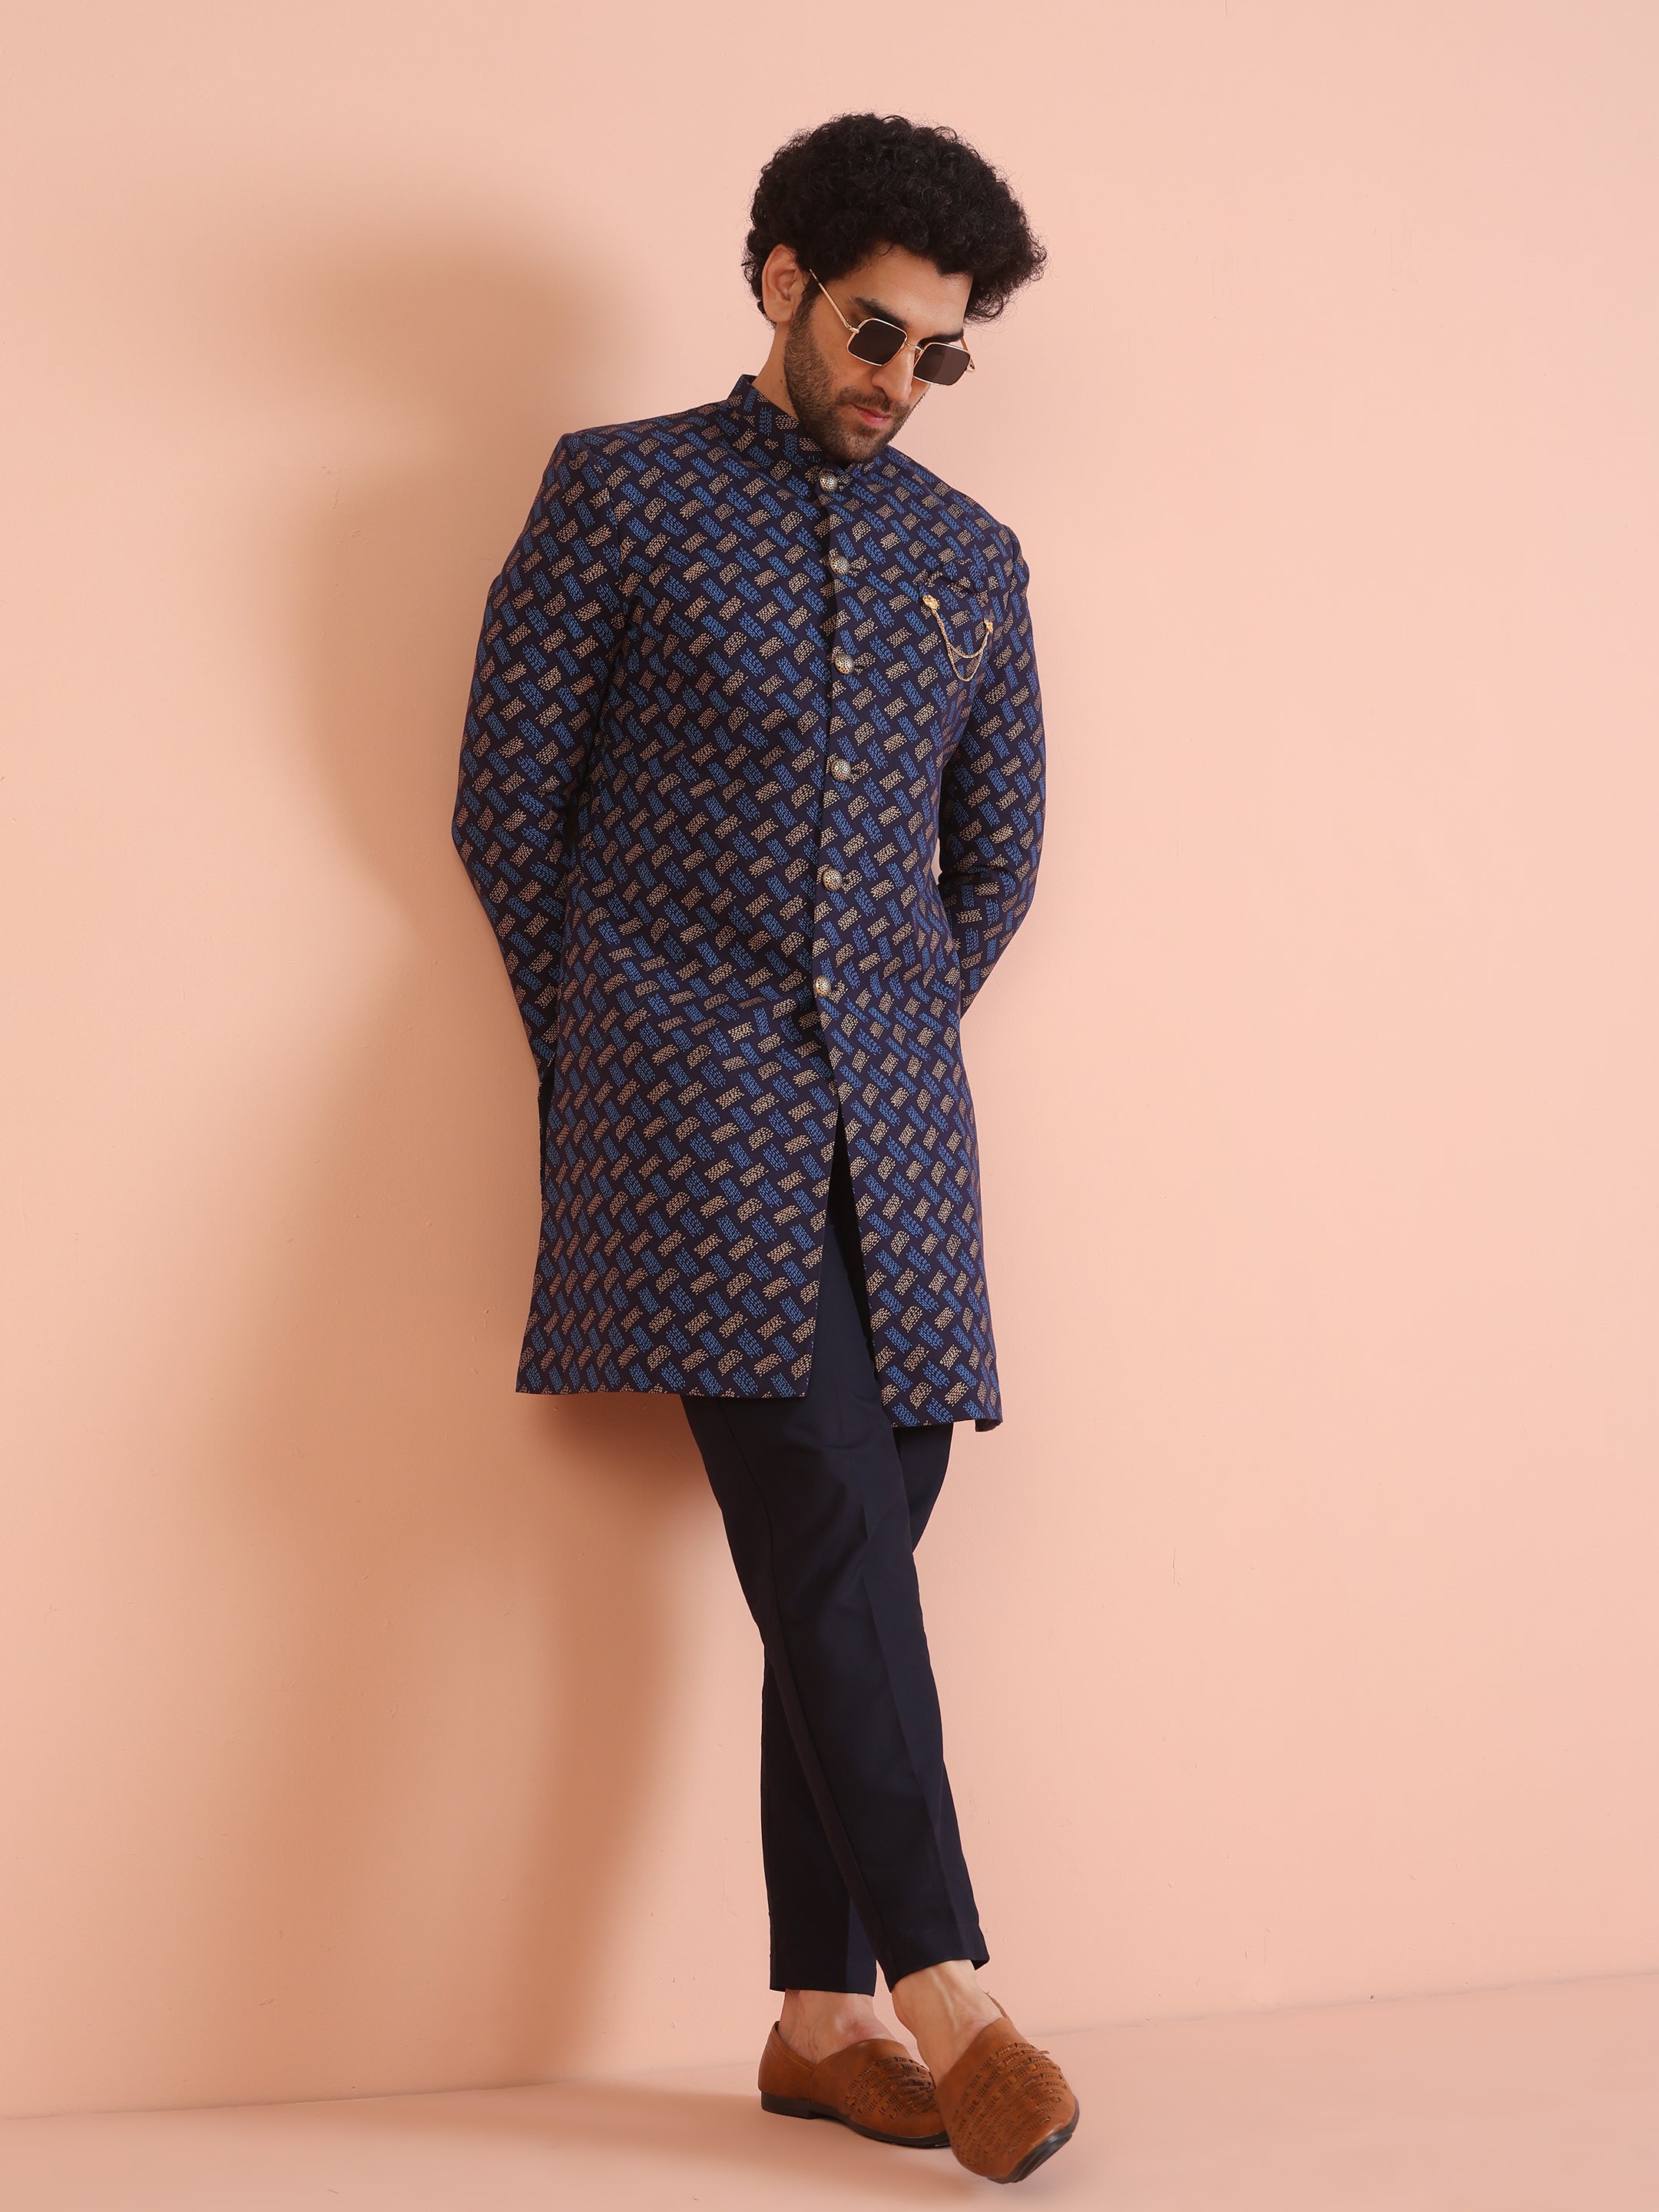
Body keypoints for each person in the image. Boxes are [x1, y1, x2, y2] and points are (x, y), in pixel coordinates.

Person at [452, 111, 1076, 2185]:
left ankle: (816, 2017)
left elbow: (997, 859)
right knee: (823, 1530)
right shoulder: (619, 494)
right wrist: (627, 1054)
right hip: (688, 1113)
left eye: (942, 353)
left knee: (861, 1553)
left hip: (902, 1141)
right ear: (784, 282)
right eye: (877, 331)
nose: (903, 380)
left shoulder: (971, 559)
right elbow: (506, 808)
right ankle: (952, 1992)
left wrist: (881, 1027)